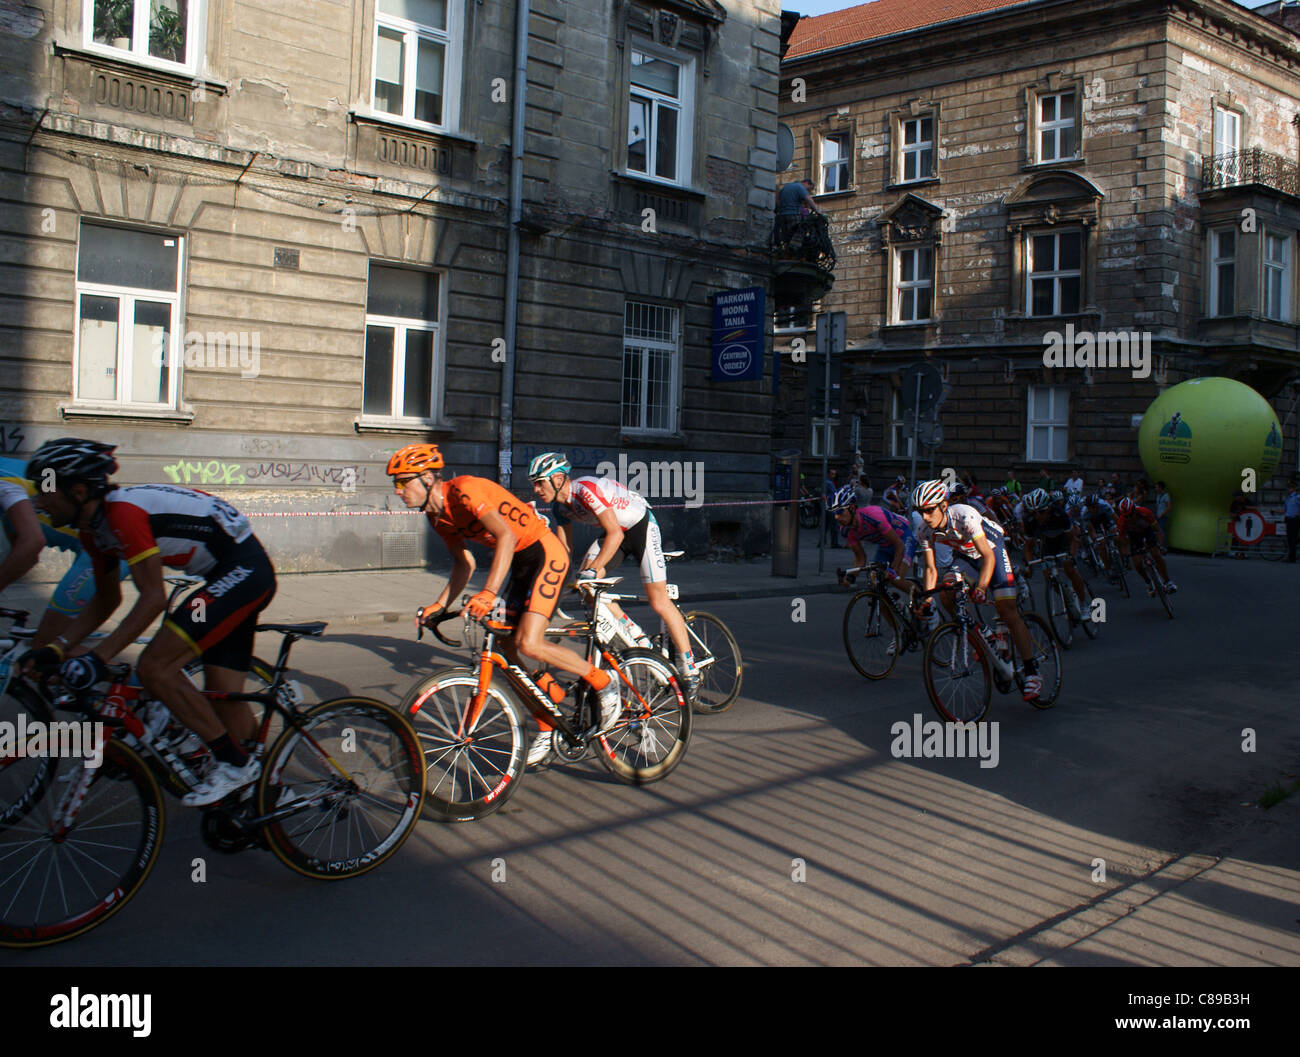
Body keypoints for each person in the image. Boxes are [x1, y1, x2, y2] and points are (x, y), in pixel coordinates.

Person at [20, 439, 277, 806]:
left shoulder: (122, 514)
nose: (38, 503)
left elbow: (152, 597)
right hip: (225, 574)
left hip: (243, 569)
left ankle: (235, 766)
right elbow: (107, 598)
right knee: (224, 696)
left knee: (155, 667)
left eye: (45, 493)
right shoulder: (94, 530)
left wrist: (98, 658)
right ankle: (267, 787)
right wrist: (57, 647)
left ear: (78, 491)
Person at [389, 444, 621, 768]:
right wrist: (439, 605)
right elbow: (463, 564)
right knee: (504, 649)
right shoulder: (437, 517)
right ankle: (546, 718)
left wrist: (488, 592)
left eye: (402, 482)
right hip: (519, 565)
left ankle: (602, 681)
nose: (398, 491)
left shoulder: (464, 491)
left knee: (530, 642)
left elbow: (506, 537)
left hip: (544, 552)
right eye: (395, 485)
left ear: (427, 478)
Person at [527, 452, 700, 707]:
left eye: (540, 481)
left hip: (638, 527)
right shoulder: (559, 507)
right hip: (614, 533)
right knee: (586, 586)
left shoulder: (585, 490)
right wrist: (555, 581)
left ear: (559, 478)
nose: (535, 488)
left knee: (659, 601)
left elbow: (615, 534)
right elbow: (564, 552)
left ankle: (689, 668)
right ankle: (636, 637)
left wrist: (595, 567)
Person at [911, 479, 1044, 701]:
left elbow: (988, 557)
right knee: (946, 593)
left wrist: (981, 588)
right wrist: (927, 602)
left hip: (991, 549)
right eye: (920, 511)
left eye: (929, 510)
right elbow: (931, 569)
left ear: (943, 505)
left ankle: (1032, 671)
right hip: (965, 556)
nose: (925, 517)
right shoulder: (924, 530)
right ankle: (982, 634)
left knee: (1006, 609)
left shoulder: (964, 514)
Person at [0, 455, 131, 648]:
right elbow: (20, 553)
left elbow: (31, 545)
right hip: (93, 548)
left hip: (105, 550)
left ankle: (125, 674)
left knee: (45, 648)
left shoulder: (5, 482)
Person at [828, 486, 917, 594]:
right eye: (834, 513)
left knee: (896, 579)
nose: (837, 518)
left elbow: (900, 545)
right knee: (875, 582)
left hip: (903, 539)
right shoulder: (846, 530)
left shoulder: (873, 516)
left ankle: (923, 599)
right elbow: (860, 558)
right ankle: (890, 608)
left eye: (840, 512)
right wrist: (850, 578)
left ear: (851, 507)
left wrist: (893, 569)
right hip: (885, 546)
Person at [1020, 488, 1093, 617]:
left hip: (1064, 540)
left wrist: (1071, 554)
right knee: (1048, 577)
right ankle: (1065, 591)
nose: (1038, 516)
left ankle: (1084, 603)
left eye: (1041, 512)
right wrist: (1029, 565)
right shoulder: (1030, 521)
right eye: (1033, 513)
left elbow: (1073, 539)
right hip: (1048, 543)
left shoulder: (1059, 514)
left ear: (1048, 508)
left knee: (1068, 567)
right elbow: (1028, 547)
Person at [1116, 496, 1176, 594]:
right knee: (1137, 563)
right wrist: (1126, 557)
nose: (1129, 518)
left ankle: (1167, 581)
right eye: (1126, 516)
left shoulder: (1145, 512)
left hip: (1147, 531)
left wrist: (1161, 546)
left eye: (1130, 514)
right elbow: (1122, 541)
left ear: (1134, 510)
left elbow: (1158, 531)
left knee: (1156, 555)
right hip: (1134, 536)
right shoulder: (1122, 521)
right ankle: (1148, 582)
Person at [822, 468, 841, 546]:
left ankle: (822, 542)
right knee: (834, 525)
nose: (834, 476)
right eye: (832, 474)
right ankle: (834, 543)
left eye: (835, 474)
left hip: (825, 506)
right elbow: (835, 493)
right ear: (828, 474)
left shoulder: (825, 481)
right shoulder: (829, 483)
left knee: (825, 525)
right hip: (831, 506)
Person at [1285, 479, 1300, 563]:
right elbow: (1286, 510)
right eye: (1288, 488)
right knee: (1290, 540)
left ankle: (1292, 558)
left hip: (1294, 520)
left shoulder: (1297, 496)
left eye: (1290, 488)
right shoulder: (1288, 499)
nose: (1288, 489)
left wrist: (1298, 514)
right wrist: (1275, 511)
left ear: (1294, 488)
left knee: (1293, 540)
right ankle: (1291, 557)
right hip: (1288, 520)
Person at [1153, 480, 1172, 545]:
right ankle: (1159, 545)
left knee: (1162, 531)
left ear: (1160, 487)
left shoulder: (1166, 495)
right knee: (1158, 531)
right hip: (1158, 515)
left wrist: (1162, 514)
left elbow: (1169, 507)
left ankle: (1163, 546)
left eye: (1157, 487)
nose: (1156, 488)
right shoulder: (1158, 495)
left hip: (1163, 516)